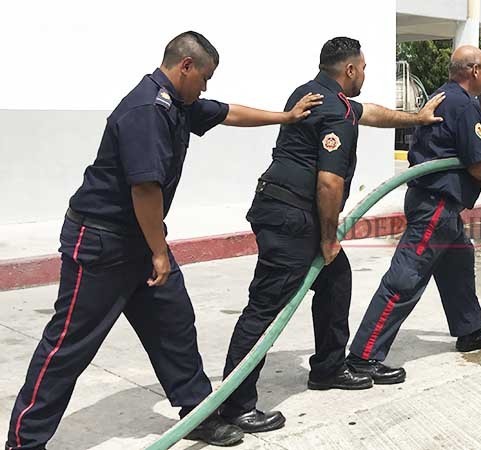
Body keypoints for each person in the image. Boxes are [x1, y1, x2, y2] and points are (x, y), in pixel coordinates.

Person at [5, 31, 322, 450]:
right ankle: (23, 441)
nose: (206, 87)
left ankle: (197, 412)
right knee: (68, 345)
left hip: (138, 239)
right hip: (102, 243)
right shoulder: (147, 110)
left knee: (174, 323)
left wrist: (286, 117)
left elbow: (228, 113)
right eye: (204, 77)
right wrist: (159, 252)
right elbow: (145, 190)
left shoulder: (178, 103)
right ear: (185, 66)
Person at [217, 36, 446, 434]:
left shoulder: (311, 93)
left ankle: (327, 367)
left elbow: (369, 112)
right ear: (351, 69)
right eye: (364, 69)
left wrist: (416, 118)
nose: (365, 76)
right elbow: (328, 183)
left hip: (280, 207)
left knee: (336, 280)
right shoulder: (337, 113)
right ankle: (236, 404)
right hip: (293, 219)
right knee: (266, 307)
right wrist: (327, 238)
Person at [346, 45, 481, 383]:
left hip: (442, 208)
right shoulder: (461, 104)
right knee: (405, 279)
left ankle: (470, 331)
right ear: (474, 71)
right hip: (435, 207)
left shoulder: (452, 99)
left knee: (459, 265)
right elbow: (478, 166)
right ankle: (363, 355)